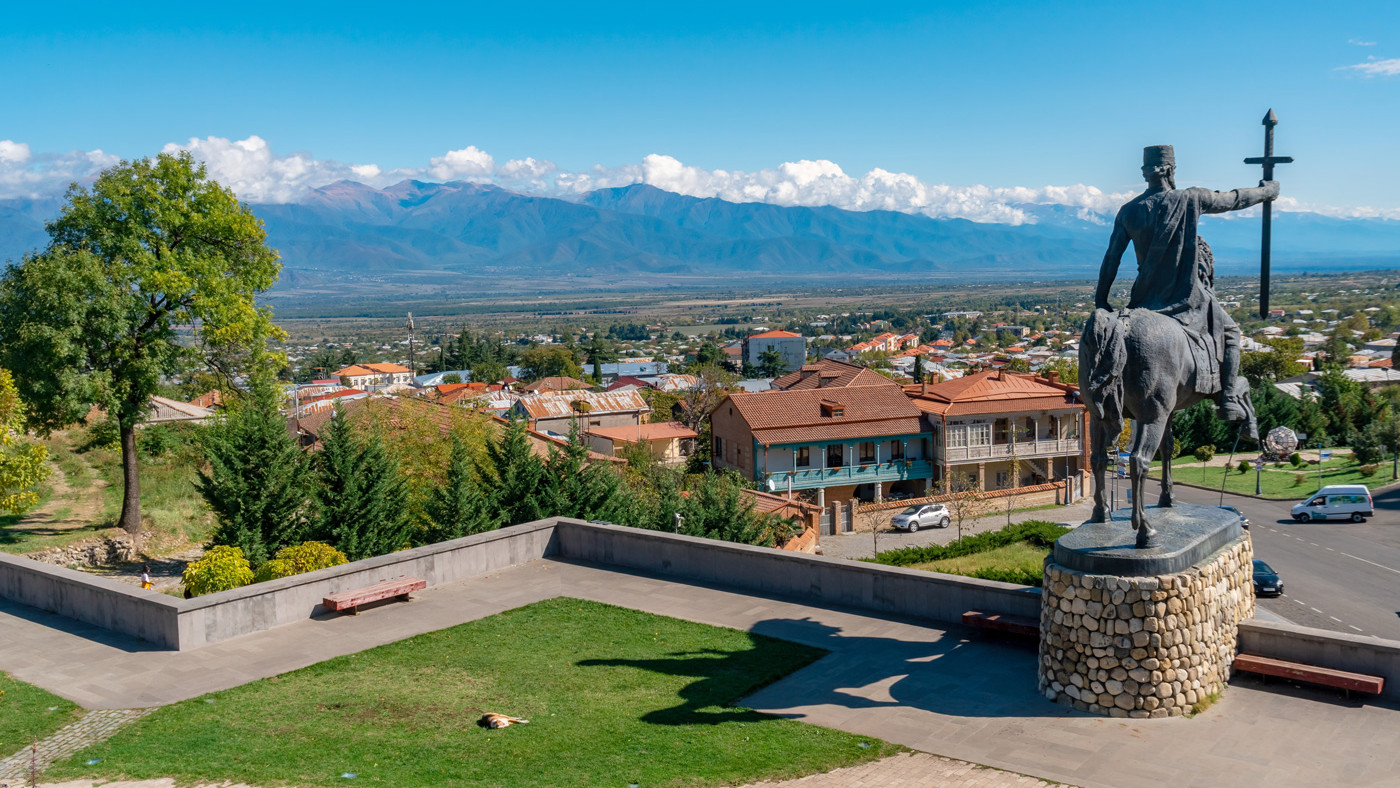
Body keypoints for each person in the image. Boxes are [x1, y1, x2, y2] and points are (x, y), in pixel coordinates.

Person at [1095, 144, 1278, 438]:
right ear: (1170, 169)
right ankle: (1228, 397)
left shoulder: (1129, 211)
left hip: (1145, 300)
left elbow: (1111, 257)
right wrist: (1267, 191)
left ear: (1146, 173)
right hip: (1187, 296)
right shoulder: (1190, 198)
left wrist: (1101, 297)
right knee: (1231, 333)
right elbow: (1234, 199)